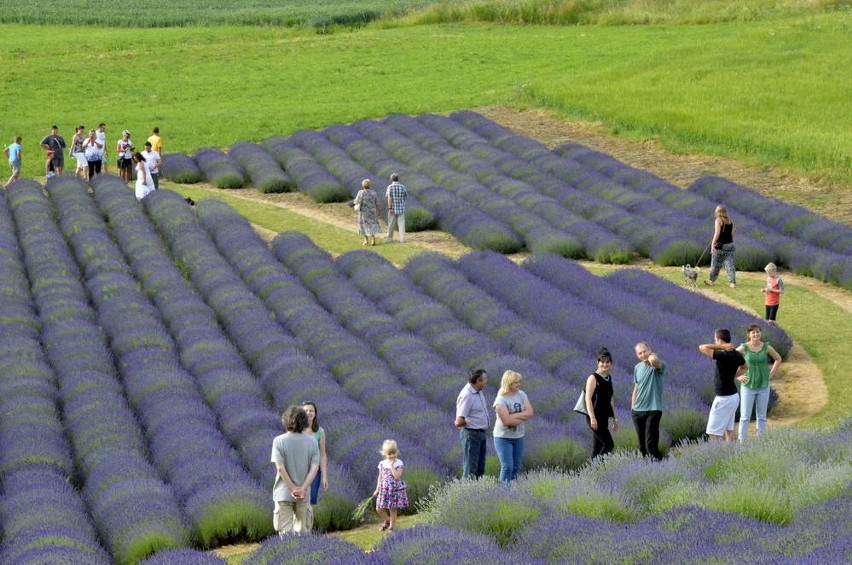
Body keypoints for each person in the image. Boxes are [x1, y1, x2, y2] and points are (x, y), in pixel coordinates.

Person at [271, 405, 320, 536]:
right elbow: (314, 468)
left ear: (286, 420)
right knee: (303, 532)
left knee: (285, 534)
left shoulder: (278, 441)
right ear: (304, 421)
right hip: (304, 495)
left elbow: (280, 468)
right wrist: (303, 489)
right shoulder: (312, 442)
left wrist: (292, 488)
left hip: (283, 492)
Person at [699, 329, 747, 442]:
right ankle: (731, 456)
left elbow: (702, 347)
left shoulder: (722, 355)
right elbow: (745, 367)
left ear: (719, 340)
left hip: (723, 398)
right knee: (729, 431)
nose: (714, 342)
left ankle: (717, 457)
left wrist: (721, 347)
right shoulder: (736, 354)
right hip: (734, 396)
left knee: (713, 433)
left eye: (715, 340)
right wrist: (734, 375)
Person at [736, 324, 782, 441]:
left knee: (761, 416)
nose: (756, 334)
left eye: (757, 332)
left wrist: (771, 374)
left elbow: (778, 359)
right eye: (753, 332)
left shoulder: (766, 347)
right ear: (749, 335)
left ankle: (760, 441)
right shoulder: (744, 348)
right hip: (748, 386)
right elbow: (730, 359)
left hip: (763, 386)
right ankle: (742, 442)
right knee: (745, 417)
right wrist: (738, 376)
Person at [492, 370, 533, 482]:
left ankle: (512, 493)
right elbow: (507, 421)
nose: (519, 384)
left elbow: (530, 412)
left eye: (519, 382)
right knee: (507, 467)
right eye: (516, 382)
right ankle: (502, 492)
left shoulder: (521, 394)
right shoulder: (500, 400)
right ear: (509, 383)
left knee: (516, 467)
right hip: (503, 437)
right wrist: (521, 416)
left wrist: (513, 417)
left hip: (518, 436)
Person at [631, 342, 666, 460]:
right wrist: (632, 407)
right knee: (642, 448)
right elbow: (636, 387)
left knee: (651, 445)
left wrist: (651, 356)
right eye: (639, 353)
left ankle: (661, 467)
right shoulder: (637, 367)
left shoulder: (658, 365)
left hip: (653, 409)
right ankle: (648, 469)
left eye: (644, 351)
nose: (642, 355)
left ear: (649, 350)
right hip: (637, 411)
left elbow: (655, 362)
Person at [584, 347, 620, 458]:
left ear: (611, 363)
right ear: (598, 362)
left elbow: (610, 398)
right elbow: (588, 398)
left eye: (607, 362)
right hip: (595, 416)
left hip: (604, 417)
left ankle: (591, 472)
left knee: (598, 446)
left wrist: (614, 418)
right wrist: (592, 418)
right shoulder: (593, 378)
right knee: (609, 444)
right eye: (602, 362)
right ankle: (597, 468)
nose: (605, 364)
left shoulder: (608, 377)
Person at [454, 368, 489, 480]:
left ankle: (477, 494)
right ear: (478, 381)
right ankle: (467, 494)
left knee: (480, 467)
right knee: (471, 468)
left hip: (480, 433)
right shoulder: (467, 395)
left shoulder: (478, 392)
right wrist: (472, 421)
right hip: (472, 434)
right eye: (485, 380)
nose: (486, 382)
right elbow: (459, 421)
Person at [372, 439, 408, 532]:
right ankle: (387, 520)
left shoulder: (399, 463)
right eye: (389, 454)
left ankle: (392, 527)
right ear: (384, 454)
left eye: (393, 453)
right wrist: (377, 489)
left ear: (397, 452)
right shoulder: (382, 463)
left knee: (392, 508)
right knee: (379, 508)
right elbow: (380, 476)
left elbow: (397, 476)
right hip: (384, 488)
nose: (392, 456)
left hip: (394, 489)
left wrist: (392, 466)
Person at [301, 401, 328, 507]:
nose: (309, 413)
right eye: (306, 411)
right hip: (299, 469)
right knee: (299, 500)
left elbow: (322, 454)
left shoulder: (320, 432)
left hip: (315, 470)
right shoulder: (297, 430)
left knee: (311, 500)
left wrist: (325, 476)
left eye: (311, 410)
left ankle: (307, 523)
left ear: (315, 413)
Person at [705, 205, 736, 289]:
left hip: (720, 246)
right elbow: (733, 234)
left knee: (715, 264)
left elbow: (717, 233)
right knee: (730, 264)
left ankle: (711, 280)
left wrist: (712, 244)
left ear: (718, 212)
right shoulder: (730, 221)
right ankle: (732, 283)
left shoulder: (718, 220)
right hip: (730, 245)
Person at [354, 178, 382, 246]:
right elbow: (377, 203)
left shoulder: (360, 192)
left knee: (363, 226)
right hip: (372, 212)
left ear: (363, 186)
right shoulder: (374, 193)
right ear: (370, 185)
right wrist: (379, 212)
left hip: (363, 213)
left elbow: (356, 202)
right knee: (372, 225)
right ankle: (373, 240)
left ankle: (366, 240)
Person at [385, 173, 408, 243]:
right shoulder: (403, 187)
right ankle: (402, 239)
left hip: (393, 209)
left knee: (391, 224)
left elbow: (389, 198)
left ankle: (389, 238)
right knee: (401, 224)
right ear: (398, 179)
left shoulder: (390, 187)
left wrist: (389, 208)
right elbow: (405, 196)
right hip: (401, 208)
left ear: (391, 179)